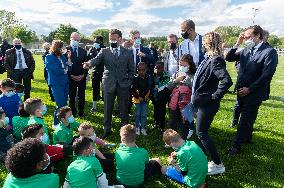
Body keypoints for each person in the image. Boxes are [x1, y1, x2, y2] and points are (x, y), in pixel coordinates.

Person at [225, 25, 278, 156]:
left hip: (255, 92)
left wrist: (250, 89)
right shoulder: (245, 50)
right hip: (241, 90)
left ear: (258, 36)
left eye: (248, 37)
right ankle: (247, 137)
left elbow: (267, 75)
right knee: (248, 116)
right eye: (245, 37)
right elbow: (229, 58)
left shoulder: (269, 52)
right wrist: (238, 43)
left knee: (245, 119)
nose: (246, 39)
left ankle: (236, 146)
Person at [191, 32, 232, 175]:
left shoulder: (216, 60)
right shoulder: (209, 58)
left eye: (204, 42)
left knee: (201, 132)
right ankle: (203, 158)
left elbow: (227, 81)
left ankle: (217, 163)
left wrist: (215, 95)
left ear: (209, 43)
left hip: (208, 104)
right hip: (202, 102)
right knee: (200, 132)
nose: (202, 44)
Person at [83, 29, 134, 139]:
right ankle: (107, 130)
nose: (112, 41)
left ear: (120, 39)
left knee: (123, 108)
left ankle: (125, 132)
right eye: (110, 39)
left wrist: (128, 82)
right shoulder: (104, 51)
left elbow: (131, 69)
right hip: (108, 84)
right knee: (107, 108)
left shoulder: (127, 52)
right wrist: (88, 63)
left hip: (123, 85)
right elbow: (96, 60)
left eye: (114, 39)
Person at [167, 54, 196, 140]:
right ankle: (171, 140)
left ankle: (183, 140)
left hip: (186, 104)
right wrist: (176, 81)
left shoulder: (193, 76)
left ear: (190, 65)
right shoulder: (176, 74)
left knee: (184, 123)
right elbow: (168, 87)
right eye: (180, 65)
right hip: (174, 103)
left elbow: (195, 90)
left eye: (184, 65)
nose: (182, 67)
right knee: (172, 122)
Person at [45, 40, 72, 125]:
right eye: (62, 47)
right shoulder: (49, 57)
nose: (64, 49)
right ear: (57, 48)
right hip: (56, 84)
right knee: (61, 104)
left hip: (65, 82)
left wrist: (69, 58)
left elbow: (69, 68)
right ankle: (56, 123)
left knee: (64, 104)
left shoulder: (62, 57)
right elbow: (56, 70)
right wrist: (66, 69)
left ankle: (63, 121)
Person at [67, 32, 88, 117]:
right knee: (71, 95)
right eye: (74, 39)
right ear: (70, 39)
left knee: (81, 95)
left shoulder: (83, 51)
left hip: (81, 77)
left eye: (77, 40)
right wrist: (71, 75)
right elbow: (64, 65)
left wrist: (83, 75)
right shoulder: (66, 50)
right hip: (70, 77)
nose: (75, 41)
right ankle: (73, 111)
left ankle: (81, 111)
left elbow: (87, 65)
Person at [131, 62, 151, 136]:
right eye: (139, 70)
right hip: (137, 99)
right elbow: (133, 89)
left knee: (143, 114)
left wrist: (146, 96)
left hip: (145, 99)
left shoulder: (148, 78)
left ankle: (143, 127)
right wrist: (138, 96)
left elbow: (149, 88)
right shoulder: (135, 78)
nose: (141, 71)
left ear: (146, 70)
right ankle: (137, 127)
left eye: (143, 70)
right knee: (137, 114)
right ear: (137, 70)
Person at [88, 35, 106, 112]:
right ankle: (94, 106)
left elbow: (102, 59)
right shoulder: (92, 48)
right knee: (95, 88)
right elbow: (89, 57)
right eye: (95, 41)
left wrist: (98, 50)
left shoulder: (105, 49)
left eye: (97, 41)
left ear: (101, 41)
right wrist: (92, 49)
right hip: (95, 72)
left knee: (105, 89)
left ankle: (106, 105)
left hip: (104, 72)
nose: (95, 42)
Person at [152, 62, 170, 131]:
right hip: (154, 97)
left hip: (162, 98)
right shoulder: (152, 76)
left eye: (159, 68)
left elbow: (166, 88)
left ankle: (162, 126)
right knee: (155, 110)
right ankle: (156, 123)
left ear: (163, 69)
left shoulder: (166, 77)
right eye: (156, 68)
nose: (157, 69)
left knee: (162, 111)